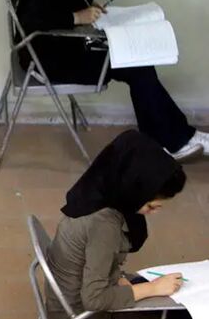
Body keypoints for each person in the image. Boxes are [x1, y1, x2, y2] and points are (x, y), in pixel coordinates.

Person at [17, 0, 209, 160]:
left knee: (138, 64)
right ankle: (174, 140)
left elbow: (55, 4)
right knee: (137, 67)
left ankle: (173, 137)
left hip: (59, 47)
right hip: (47, 61)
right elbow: (29, 21)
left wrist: (84, 10)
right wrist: (77, 16)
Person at [46, 130, 190, 319]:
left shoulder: (92, 194)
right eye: (150, 205)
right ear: (133, 189)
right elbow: (95, 299)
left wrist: (120, 278)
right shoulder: (104, 225)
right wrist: (153, 288)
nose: (154, 212)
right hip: (84, 313)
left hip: (71, 299)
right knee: (183, 313)